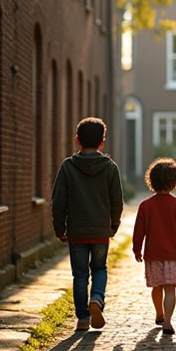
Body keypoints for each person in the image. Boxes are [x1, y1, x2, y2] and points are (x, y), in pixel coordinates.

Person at [51, 117, 124, 331]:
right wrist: (113, 225)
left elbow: (58, 201)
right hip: (101, 230)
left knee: (80, 274)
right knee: (99, 269)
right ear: (102, 142)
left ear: (77, 140)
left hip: (77, 231)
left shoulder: (67, 167)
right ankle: (97, 299)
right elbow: (117, 201)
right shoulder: (110, 167)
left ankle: (83, 318)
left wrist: (59, 227)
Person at [132, 158, 176, 335]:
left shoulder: (145, 206)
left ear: (151, 181)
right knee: (170, 289)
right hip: (174, 254)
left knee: (157, 287)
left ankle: (159, 313)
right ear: (174, 182)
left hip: (153, 253)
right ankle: (168, 322)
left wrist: (137, 248)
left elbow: (138, 230)